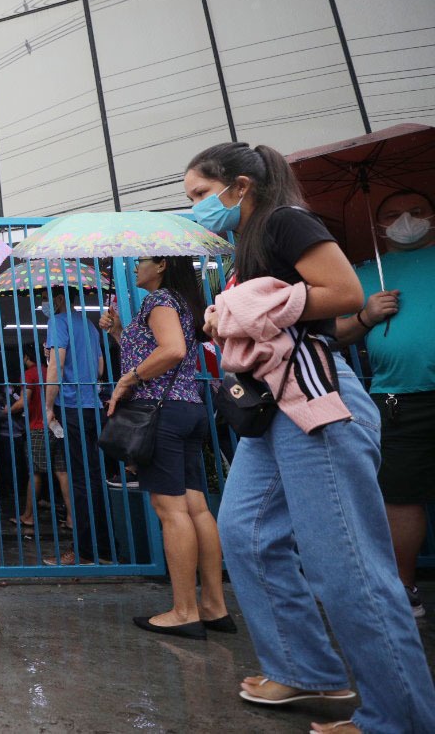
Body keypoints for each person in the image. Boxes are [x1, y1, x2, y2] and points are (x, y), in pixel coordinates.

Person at [185, 142, 435, 733]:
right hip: (275, 405)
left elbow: (344, 293)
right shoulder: (248, 242)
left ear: (240, 185)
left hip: (316, 401)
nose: (196, 207)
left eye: (200, 194)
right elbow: (302, 315)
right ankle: (305, 672)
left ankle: (398, 720)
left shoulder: (285, 220)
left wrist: (242, 311)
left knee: (346, 567)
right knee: (244, 533)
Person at [102, 256, 231, 640]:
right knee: (196, 508)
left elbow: (171, 350)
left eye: (140, 262)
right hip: (187, 409)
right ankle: (213, 605)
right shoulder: (179, 302)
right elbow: (158, 351)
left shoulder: (159, 302)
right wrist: (120, 333)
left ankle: (183, 610)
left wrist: (128, 380)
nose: (135, 268)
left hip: (161, 414)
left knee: (169, 510)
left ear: (160, 265)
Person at [333, 188, 435, 619]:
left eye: (417, 211)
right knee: (399, 497)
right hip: (399, 398)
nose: (406, 220)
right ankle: (403, 588)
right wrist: (366, 316)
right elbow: (332, 334)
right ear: (378, 228)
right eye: (393, 215)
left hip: (400, 397)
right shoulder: (361, 276)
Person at [41, 287, 112, 566]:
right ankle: (105, 548)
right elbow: (100, 370)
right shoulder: (91, 326)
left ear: (58, 300)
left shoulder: (57, 322)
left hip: (70, 407)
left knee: (79, 481)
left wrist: (48, 406)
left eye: (46, 300)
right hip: (93, 407)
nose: (45, 306)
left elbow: (56, 367)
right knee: (95, 479)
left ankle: (84, 551)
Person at [13, 350, 72, 531]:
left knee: (35, 472)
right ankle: (72, 518)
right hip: (58, 426)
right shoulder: (53, 371)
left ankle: (28, 516)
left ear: (26, 356)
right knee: (62, 472)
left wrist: (5, 412)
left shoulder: (31, 374)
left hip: (38, 427)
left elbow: (24, 402)